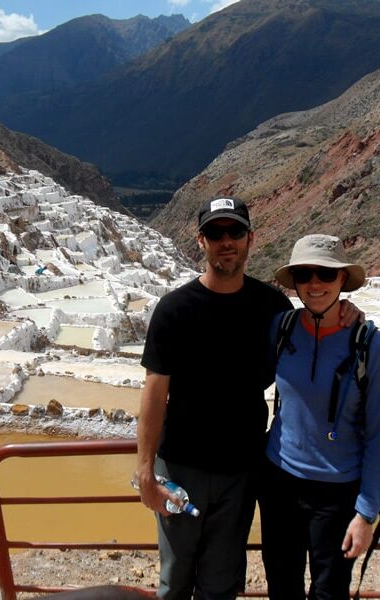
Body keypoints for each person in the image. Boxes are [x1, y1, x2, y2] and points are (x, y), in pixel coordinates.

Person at [136, 198, 360, 600]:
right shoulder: (174, 311)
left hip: (241, 471)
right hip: (181, 467)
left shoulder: (272, 307)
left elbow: (316, 328)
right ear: (201, 240)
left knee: (221, 583)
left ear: (250, 239)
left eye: (235, 232)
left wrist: (348, 311)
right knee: (175, 578)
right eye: (217, 233)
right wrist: (145, 473)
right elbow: (154, 395)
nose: (227, 242)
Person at [258, 234, 380, 600]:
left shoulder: (371, 347)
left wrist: (366, 514)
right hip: (279, 483)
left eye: (326, 274)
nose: (315, 284)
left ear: (342, 281)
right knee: (282, 587)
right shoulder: (282, 328)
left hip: (337, 494)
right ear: (295, 283)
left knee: (329, 592)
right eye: (304, 275)